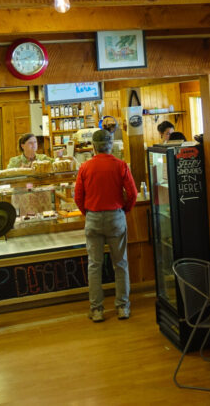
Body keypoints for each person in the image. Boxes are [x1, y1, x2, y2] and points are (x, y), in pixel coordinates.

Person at [74, 129, 138, 322]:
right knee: (120, 264)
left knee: (94, 265)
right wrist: (124, 210)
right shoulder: (120, 165)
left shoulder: (85, 167)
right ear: (111, 146)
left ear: (93, 147)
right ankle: (122, 308)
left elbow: (78, 197)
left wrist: (88, 212)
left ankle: (97, 310)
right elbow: (133, 193)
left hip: (93, 217)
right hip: (115, 216)